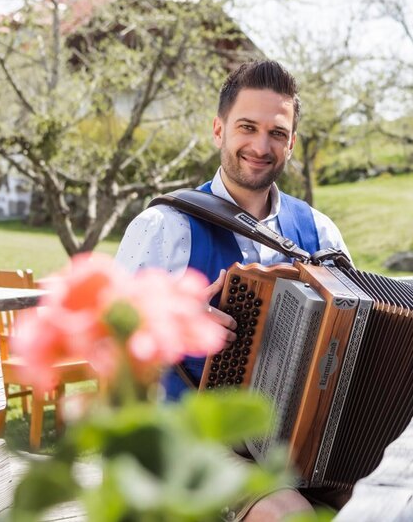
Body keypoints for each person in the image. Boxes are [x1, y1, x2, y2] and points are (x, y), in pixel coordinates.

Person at [115, 59, 350, 520]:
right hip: (193, 444)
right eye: (247, 127)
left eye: (277, 133)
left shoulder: (321, 234)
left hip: (305, 443)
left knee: (389, 500)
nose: (261, 146)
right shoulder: (165, 226)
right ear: (219, 130)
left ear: (292, 143)